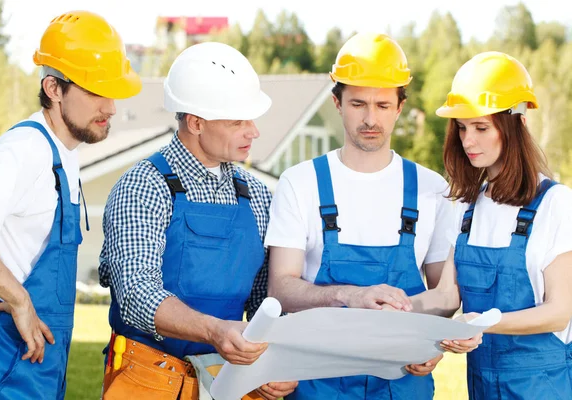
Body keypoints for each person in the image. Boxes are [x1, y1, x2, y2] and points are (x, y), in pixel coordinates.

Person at [99, 42, 298, 400]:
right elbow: (134, 293)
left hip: (230, 378)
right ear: (196, 123)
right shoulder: (143, 186)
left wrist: (275, 364)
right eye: (238, 121)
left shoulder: (258, 195)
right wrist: (214, 331)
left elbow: (266, 300)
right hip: (147, 378)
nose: (253, 131)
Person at [265, 32, 455, 400]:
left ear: (400, 107)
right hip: (316, 382)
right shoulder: (300, 183)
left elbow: (444, 296)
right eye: (358, 104)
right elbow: (281, 289)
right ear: (336, 102)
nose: (371, 118)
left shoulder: (432, 189)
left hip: (403, 383)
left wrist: (431, 342)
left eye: (383, 105)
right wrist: (350, 296)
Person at [0, 10, 141, 399]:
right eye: (97, 91)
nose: (111, 107)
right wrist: (20, 301)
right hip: (0, 368)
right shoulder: (25, 149)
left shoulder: (63, 153)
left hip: (37, 368)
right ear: (53, 88)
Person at [428, 51, 572, 398]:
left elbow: (560, 312)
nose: (468, 141)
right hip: (481, 386)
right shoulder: (466, 205)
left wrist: (483, 323)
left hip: (543, 385)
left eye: (481, 127)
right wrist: (397, 310)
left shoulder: (556, 204)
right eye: (462, 128)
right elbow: (447, 295)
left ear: (516, 125)